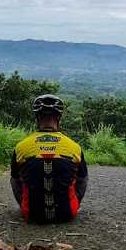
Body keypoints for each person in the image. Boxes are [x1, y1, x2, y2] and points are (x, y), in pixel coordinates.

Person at [11, 94, 88, 223]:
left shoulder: (21, 147)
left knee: (15, 178)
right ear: (59, 118)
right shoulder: (74, 147)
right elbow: (82, 179)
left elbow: (15, 178)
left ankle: (25, 207)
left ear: (37, 118)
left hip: (31, 215)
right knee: (82, 176)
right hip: (67, 215)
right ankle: (73, 206)